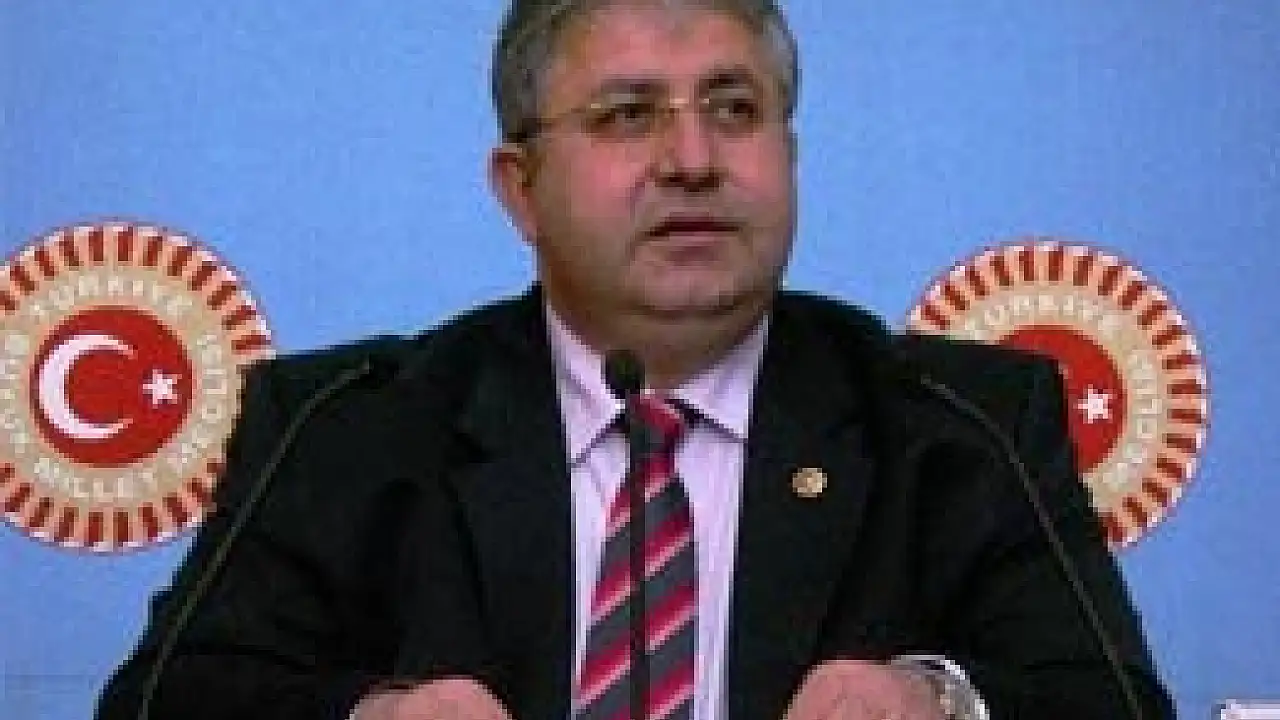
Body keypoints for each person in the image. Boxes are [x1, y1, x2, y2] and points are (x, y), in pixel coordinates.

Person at [97, 1, 1176, 719]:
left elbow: (1113, 704)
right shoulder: (343, 425)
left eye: (734, 109)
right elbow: (164, 702)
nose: (693, 159)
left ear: (789, 155)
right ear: (519, 188)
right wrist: (366, 717)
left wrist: (939, 701)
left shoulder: (962, 424)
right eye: (626, 115)